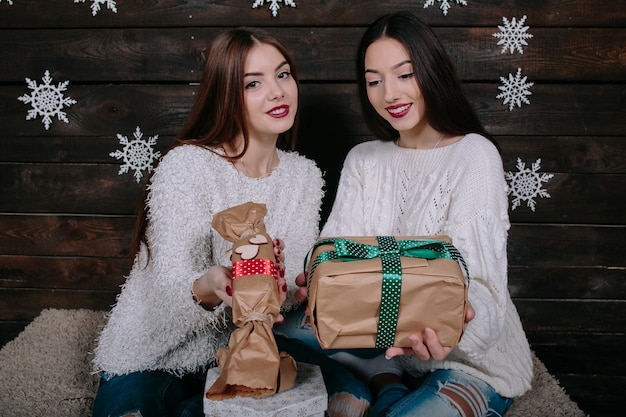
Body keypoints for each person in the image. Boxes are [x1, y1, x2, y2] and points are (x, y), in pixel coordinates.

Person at [295, 11, 534, 417]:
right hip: (374, 343)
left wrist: (456, 323)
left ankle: (383, 385)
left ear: (430, 71)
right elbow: (337, 257)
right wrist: (320, 283)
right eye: (374, 80)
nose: (389, 93)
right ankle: (381, 380)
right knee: (268, 334)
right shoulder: (363, 160)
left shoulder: (474, 154)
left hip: (467, 361)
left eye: (404, 74)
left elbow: (483, 294)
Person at [91, 28, 325, 417]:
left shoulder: (305, 176)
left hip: (249, 350)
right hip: (153, 352)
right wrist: (212, 285)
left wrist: (293, 285)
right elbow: (168, 286)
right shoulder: (187, 165)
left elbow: (288, 284)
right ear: (226, 95)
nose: (277, 91)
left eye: (283, 75)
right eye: (254, 83)